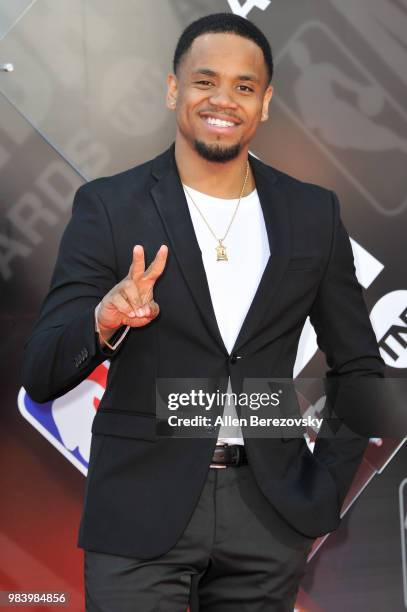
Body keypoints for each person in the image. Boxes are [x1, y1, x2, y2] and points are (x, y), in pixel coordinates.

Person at [22, 12, 385, 612]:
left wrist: (322, 490)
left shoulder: (312, 213)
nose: (224, 99)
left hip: (269, 513)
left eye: (245, 86)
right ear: (172, 90)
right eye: (204, 80)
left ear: (265, 103)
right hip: (139, 510)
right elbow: (42, 369)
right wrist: (103, 322)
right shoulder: (110, 206)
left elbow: (360, 370)